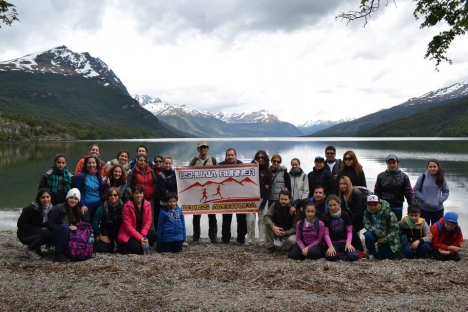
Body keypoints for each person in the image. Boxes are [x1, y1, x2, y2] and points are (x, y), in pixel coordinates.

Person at [189, 141, 218, 243]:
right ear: (198, 149)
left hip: (210, 192)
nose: (203, 149)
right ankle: (196, 236)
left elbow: (218, 175)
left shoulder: (213, 161)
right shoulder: (193, 161)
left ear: (208, 148)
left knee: (212, 215)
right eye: (201, 147)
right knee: (196, 215)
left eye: (204, 147)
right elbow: (187, 176)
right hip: (197, 192)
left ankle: (213, 236)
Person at [117, 185, 158, 255]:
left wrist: (143, 235)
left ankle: (141, 243)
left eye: (140, 193)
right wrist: (140, 238)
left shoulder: (147, 204)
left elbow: (148, 221)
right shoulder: (127, 206)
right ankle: (124, 246)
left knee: (155, 235)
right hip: (129, 233)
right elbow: (127, 226)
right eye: (136, 193)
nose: (138, 195)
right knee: (139, 250)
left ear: (143, 194)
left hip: (141, 231)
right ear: (132, 194)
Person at [219, 148, 247, 244]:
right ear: (226, 156)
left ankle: (241, 239)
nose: (230, 157)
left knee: (241, 219)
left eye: (232, 155)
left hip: (239, 196)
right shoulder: (219, 166)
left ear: (236, 155)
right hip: (226, 197)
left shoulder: (242, 165)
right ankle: (225, 238)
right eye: (228, 155)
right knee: (226, 219)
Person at [46, 188, 82, 263]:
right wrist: (68, 227)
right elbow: (49, 225)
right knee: (64, 227)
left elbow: (79, 223)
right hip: (54, 236)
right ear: (67, 198)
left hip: (67, 236)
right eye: (71, 198)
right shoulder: (58, 208)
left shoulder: (77, 210)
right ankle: (58, 254)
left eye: (76, 199)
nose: (73, 200)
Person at [374, 154, 414, 221]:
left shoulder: (404, 177)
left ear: (397, 163)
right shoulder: (381, 176)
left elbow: (408, 193)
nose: (392, 165)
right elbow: (377, 191)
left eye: (394, 163)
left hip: (397, 206)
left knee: (396, 225)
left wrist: (412, 206)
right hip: (384, 206)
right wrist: (377, 204)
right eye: (389, 163)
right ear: (387, 164)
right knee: (384, 225)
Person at [17, 188, 53, 260]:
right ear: (38, 199)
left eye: (47, 197)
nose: (46, 199)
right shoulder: (31, 209)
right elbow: (20, 224)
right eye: (43, 197)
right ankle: (30, 249)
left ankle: (36, 249)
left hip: (37, 231)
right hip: (25, 233)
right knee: (46, 233)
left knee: (51, 232)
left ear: (50, 197)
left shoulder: (51, 208)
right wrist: (39, 228)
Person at [322, 195, 359, 262]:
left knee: (353, 256)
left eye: (334, 205)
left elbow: (349, 231)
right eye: (330, 205)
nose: (332, 207)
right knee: (330, 257)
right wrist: (330, 246)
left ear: (339, 204)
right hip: (333, 242)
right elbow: (326, 234)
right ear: (327, 206)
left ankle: (344, 254)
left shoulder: (345, 214)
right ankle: (337, 253)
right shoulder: (325, 216)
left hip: (345, 241)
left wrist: (348, 242)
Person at [363, 195, 401, 260]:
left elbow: (395, 230)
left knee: (386, 256)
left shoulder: (390, 214)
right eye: (370, 205)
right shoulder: (367, 213)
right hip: (377, 234)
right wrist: (379, 232)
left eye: (375, 204)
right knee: (367, 235)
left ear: (379, 204)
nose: (373, 207)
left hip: (388, 236)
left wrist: (385, 239)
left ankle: (382, 249)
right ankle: (373, 254)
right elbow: (366, 225)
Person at [413, 159, 449, 226]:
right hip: (423, 209)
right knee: (423, 230)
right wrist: (423, 199)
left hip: (438, 210)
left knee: (437, 230)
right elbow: (415, 190)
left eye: (434, 166)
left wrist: (440, 200)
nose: (432, 168)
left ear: (438, 167)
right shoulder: (422, 177)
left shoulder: (441, 178)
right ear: (427, 167)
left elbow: (446, 192)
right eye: (430, 167)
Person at [246, 150, 271, 245]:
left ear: (265, 159)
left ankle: (261, 240)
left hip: (263, 198)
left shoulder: (268, 171)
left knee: (262, 221)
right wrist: (253, 163)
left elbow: (269, 188)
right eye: (258, 158)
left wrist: (264, 202)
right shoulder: (251, 168)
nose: (260, 159)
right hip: (251, 198)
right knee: (250, 220)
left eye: (262, 157)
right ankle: (250, 240)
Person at [127, 154, 157, 229]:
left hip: (149, 197)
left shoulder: (151, 171)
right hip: (137, 199)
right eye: (141, 160)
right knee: (137, 217)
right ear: (137, 161)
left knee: (150, 217)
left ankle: (150, 234)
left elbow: (155, 183)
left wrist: (152, 191)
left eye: (144, 161)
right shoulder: (132, 172)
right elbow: (128, 185)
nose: (143, 162)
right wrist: (132, 193)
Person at [92, 187, 124, 253]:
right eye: (110, 195)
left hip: (120, 232)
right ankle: (108, 243)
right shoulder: (103, 207)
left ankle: (118, 244)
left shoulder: (123, 207)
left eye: (115, 195)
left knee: (124, 250)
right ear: (108, 196)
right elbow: (95, 221)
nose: (113, 197)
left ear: (118, 196)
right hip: (107, 232)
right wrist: (100, 235)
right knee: (103, 249)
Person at [338, 176, 366, 251]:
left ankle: (360, 250)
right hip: (353, 217)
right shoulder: (342, 195)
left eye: (344, 184)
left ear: (349, 184)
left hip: (363, 218)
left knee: (351, 230)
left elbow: (359, 211)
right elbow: (344, 210)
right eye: (340, 184)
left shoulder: (356, 193)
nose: (342, 186)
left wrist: (350, 223)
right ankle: (348, 247)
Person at [74, 155, 104, 223]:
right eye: (89, 163)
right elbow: (76, 192)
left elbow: (101, 191)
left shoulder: (99, 176)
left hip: (98, 205)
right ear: (86, 164)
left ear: (96, 164)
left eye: (93, 163)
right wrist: (82, 205)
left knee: (97, 224)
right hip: (86, 206)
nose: (91, 165)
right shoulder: (81, 176)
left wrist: (105, 184)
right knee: (86, 224)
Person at [156, 156, 177, 231]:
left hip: (174, 202)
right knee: (165, 221)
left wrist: (174, 201)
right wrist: (170, 201)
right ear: (163, 164)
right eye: (166, 163)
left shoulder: (176, 174)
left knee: (175, 220)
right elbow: (162, 190)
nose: (168, 165)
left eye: (169, 163)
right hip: (164, 203)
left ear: (172, 164)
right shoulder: (160, 176)